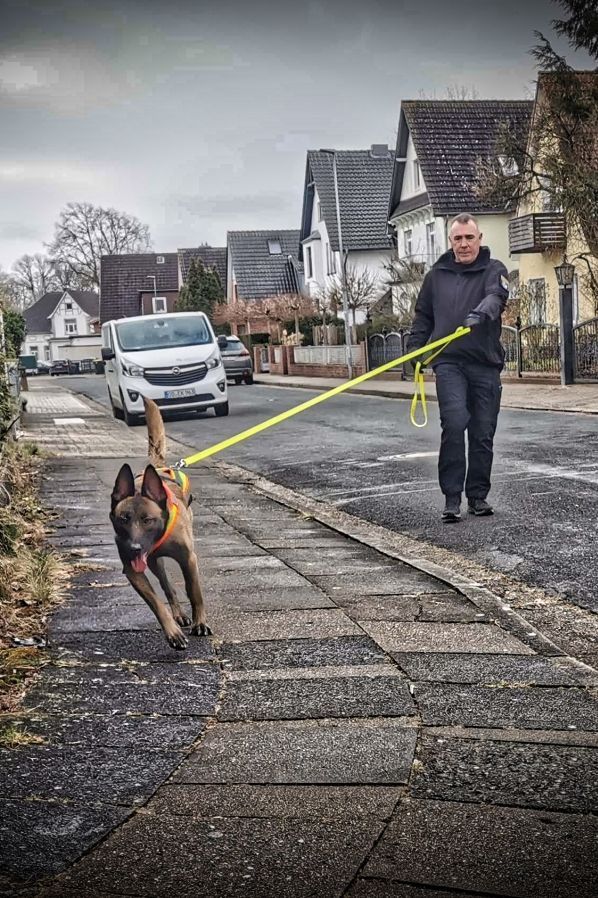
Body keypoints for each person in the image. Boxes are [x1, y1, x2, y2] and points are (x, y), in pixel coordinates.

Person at [407, 213, 509, 523]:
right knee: (454, 423)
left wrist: (480, 314)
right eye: (458, 239)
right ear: (450, 241)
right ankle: (452, 498)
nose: (463, 244)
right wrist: (415, 350)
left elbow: (496, 297)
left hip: (484, 363)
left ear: (479, 239)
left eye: (469, 238)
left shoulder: (494, 270)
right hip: (448, 361)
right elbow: (423, 316)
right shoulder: (436, 276)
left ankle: (477, 497)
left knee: (482, 431)